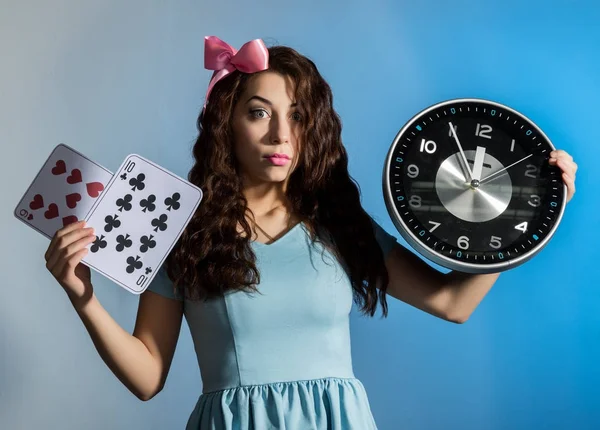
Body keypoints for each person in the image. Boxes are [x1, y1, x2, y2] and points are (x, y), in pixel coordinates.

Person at [43, 36, 578, 429]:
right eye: (260, 113)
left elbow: (452, 301)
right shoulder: (183, 232)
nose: (281, 134)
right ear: (226, 121)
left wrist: (528, 219)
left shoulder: (338, 224)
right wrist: (84, 297)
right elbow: (148, 377)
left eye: (297, 116)